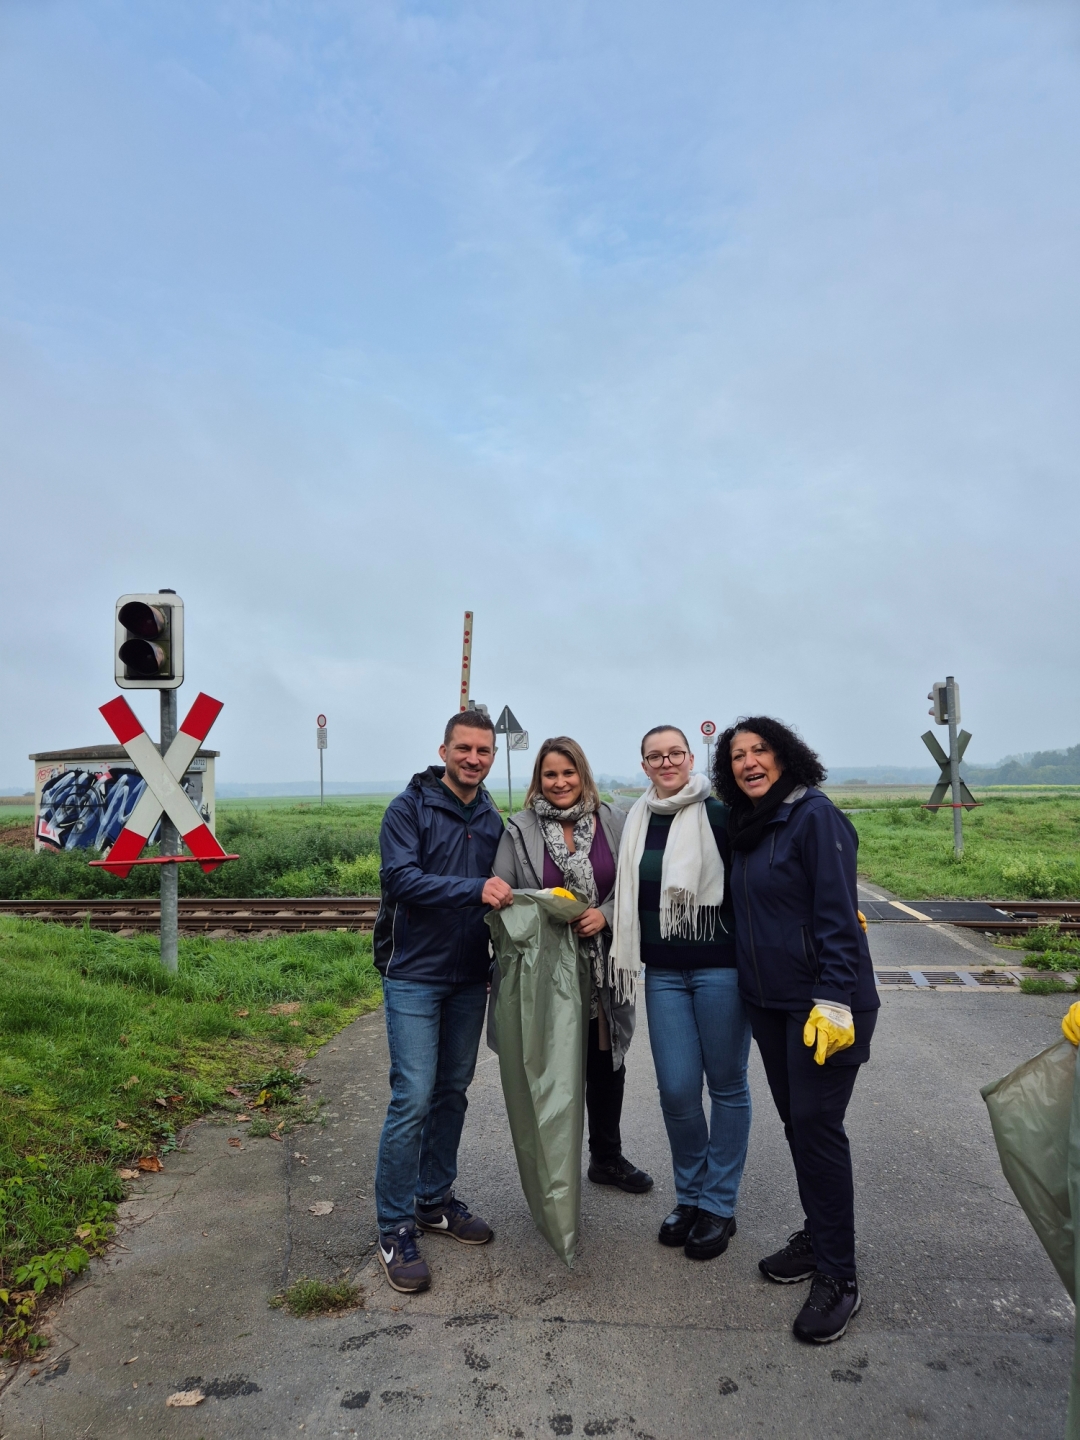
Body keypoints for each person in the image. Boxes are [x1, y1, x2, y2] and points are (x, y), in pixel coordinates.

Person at [714, 716, 879, 1344]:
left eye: (761, 751)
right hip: (771, 1004)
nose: (749, 762)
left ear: (786, 757)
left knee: (817, 1127)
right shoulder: (748, 827)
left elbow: (838, 914)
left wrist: (834, 999)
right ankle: (819, 1236)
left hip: (824, 1008)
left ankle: (839, 1275)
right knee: (798, 1125)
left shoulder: (814, 817)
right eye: (737, 756)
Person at [371, 710, 514, 1294]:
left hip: (466, 979)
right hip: (412, 975)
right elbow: (400, 879)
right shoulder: (409, 808)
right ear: (445, 749)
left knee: (452, 1091)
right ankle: (393, 1228)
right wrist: (472, 889)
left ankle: (433, 1201)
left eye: (483, 751)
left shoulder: (491, 815)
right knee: (413, 1096)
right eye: (465, 748)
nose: (474, 758)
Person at [610, 726, 750, 1260]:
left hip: (721, 969)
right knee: (676, 1090)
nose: (665, 762)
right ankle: (689, 1196)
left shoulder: (721, 813)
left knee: (727, 1085)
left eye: (675, 753)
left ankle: (717, 1204)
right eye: (654, 756)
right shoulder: (636, 820)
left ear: (692, 758)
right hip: (662, 971)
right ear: (643, 765)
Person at [491, 737, 652, 1193]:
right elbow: (505, 896)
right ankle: (553, 1171)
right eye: (550, 774)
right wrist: (551, 912)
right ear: (538, 780)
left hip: (604, 968)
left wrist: (604, 913)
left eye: (568, 772)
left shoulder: (613, 822)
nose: (560, 782)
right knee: (553, 1068)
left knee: (606, 1063)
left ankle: (607, 1158)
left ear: (583, 774)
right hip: (546, 972)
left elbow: (636, 886)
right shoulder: (519, 829)